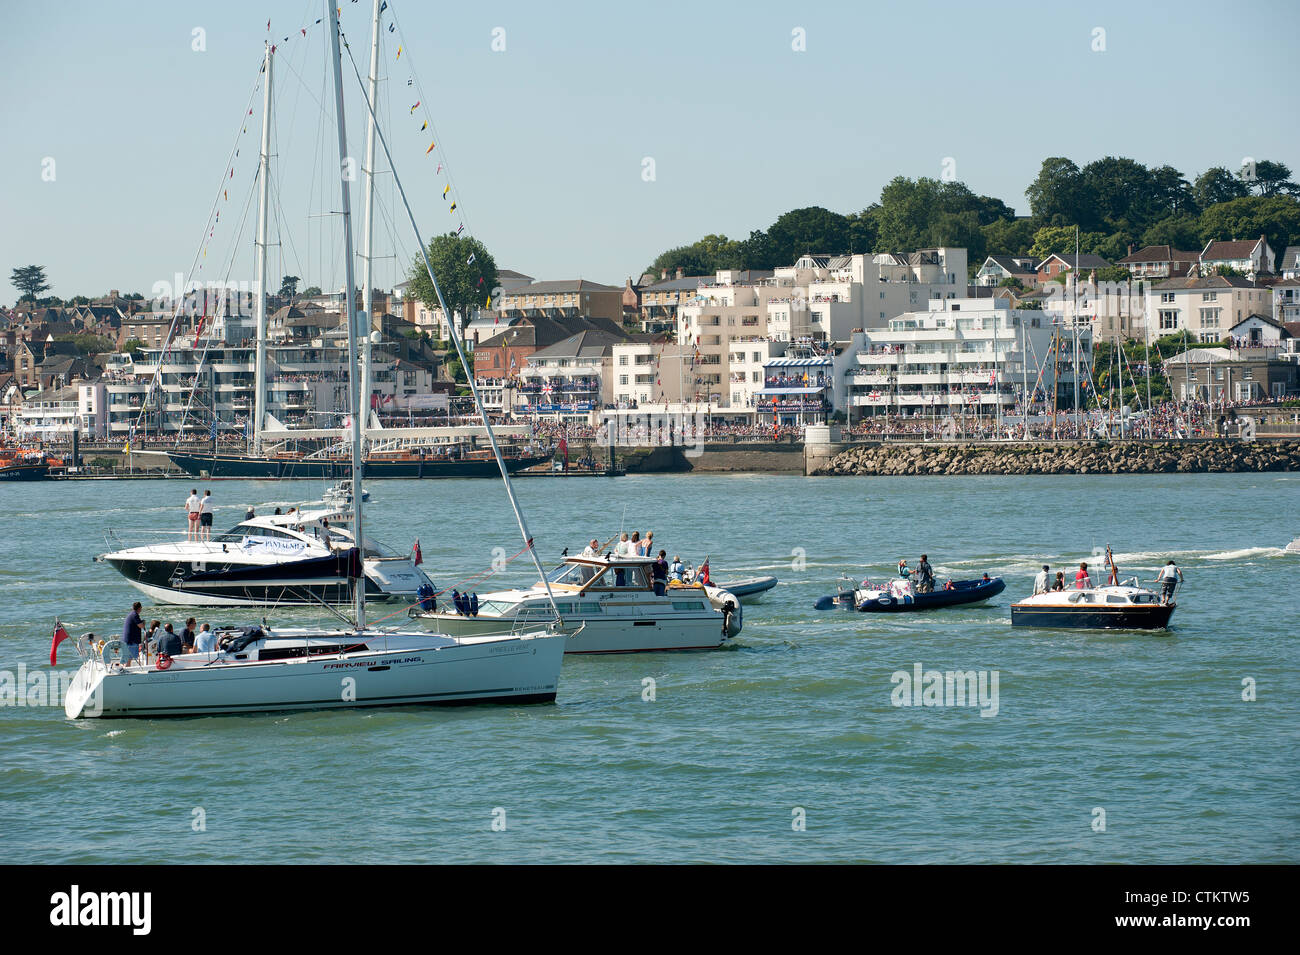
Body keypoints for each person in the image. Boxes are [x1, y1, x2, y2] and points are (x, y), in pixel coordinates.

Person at [122, 601, 144, 665]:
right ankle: (126, 672)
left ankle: (125, 670)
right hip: (131, 641)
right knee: (129, 659)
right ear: (139, 608)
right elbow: (141, 626)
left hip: (127, 640)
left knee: (128, 659)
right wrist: (143, 623)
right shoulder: (135, 615)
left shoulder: (131, 614)